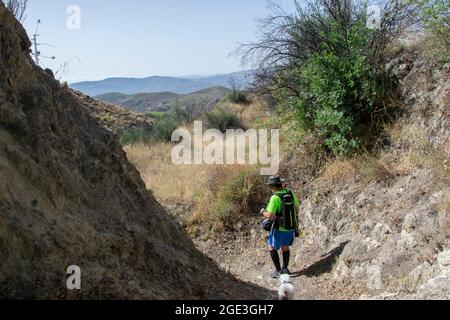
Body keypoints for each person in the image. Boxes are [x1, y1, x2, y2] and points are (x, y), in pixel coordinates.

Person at [260, 176, 300, 279]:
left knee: (271, 247)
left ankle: (278, 271)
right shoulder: (290, 193)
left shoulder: (275, 197)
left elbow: (270, 215)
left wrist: (262, 211)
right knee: (285, 247)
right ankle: (285, 269)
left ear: (272, 186)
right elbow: (297, 208)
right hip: (291, 226)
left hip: (279, 228)